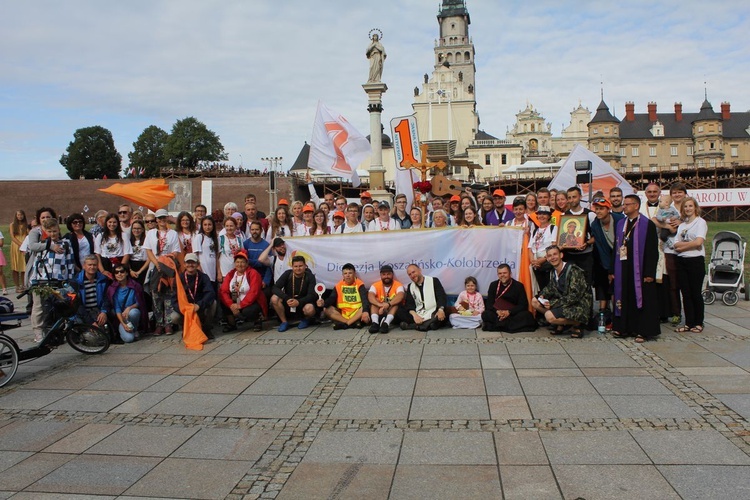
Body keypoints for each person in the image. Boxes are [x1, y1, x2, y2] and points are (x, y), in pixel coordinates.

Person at [610, 195, 660, 342]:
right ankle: (624, 328)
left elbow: (652, 251)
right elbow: (616, 247)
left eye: (627, 204)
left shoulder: (647, 224)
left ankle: (642, 330)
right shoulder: (621, 224)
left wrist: (649, 272)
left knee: (641, 298)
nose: (624, 207)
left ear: (636, 206)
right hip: (623, 268)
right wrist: (612, 270)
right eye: (624, 204)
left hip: (641, 268)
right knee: (624, 296)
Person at [29, 219, 77, 342]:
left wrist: (70, 280)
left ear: (59, 230)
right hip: (41, 280)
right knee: (39, 308)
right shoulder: (42, 244)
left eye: (55, 231)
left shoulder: (65, 244)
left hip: (58, 280)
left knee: (59, 307)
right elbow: (35, 262)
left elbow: (70, 262)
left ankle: (58, 331)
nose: (52, 234)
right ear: (45, 231)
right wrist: (33, 279)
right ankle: (39, 332)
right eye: (49, 231)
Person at [532, 245, 592, 338]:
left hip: (579, 305)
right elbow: (550, 288)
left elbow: (574, 296)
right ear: (547, 258)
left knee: (549, 316)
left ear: (561, 255)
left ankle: (578, 323)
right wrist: (542, 296)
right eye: (550, 256)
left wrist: (552, 304)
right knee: (535, 301)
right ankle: (562, 323)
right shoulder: (553, 272)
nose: (553, 258)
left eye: (555, 254)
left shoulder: (573, 270)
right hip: (564, 303)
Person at [143, 208, 181, 336]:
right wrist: (157, 263)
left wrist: (165, 262)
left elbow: (176, 251)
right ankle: (159, 323)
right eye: (159, 218)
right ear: (156, 220)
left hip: (168, 266)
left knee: (169, 295)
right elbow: (148, 250)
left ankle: (168, 324)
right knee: (156, 295)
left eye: (164, 218)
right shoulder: (151, 233)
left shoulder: (173, 234)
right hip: (155, 266)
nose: (162, 220)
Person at [674, 197, 707, 334]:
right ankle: (689, 322)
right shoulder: (682, 225)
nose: (687, 209)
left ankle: (698, 322)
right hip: (682, 261)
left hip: (695, 260)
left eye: (690, 206)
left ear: (695, 207)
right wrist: (685, 246)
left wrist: (683, 247)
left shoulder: (700, 222)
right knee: (685, 293)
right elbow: (675, 243)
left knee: (695, 293)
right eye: (685, 207)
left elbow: (698, 242)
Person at [590, 197, 624, 320]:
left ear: (608, 209)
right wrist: (610, 269)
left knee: (620, 286)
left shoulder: (620, 220)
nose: (598, 211)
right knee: (607, 283)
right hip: (607, 257)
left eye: (601, 209)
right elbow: (601, 249)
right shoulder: (595, 224)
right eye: (596, 209)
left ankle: (619, 312)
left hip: (622, 255)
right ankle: (605, 312)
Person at [659, 182, 688, 325]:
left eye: (680, 192)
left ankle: (690, 313)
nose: (677, 195)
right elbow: (656, 220)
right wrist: (667, 226)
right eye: (674, 192)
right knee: (673, 283)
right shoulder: (668, 208)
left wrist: (680, 222)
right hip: (670, 249)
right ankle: (676, 312)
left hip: (686, 249)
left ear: (684, 193)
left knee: (686, 283)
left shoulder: (688, 207)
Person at [220, 250, 266, 333]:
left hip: (252, 301)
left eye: (242, 262)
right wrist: (231, 305)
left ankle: (257, 320)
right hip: (235, 300)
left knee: (248, 311)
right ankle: (232, 324)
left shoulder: (253, 273)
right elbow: (224, 291)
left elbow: (254, 292)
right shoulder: (231, 274)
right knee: (223, 302)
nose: (240, 265)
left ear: (247, 263)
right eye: (237, 262)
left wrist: (240, 305)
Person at [482, 264, 537, 332]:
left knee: (527, 315)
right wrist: (497, 311)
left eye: (505, 273)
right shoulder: (493, 285)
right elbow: (489, 303)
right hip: (497, 314)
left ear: (510, 273)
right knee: (485, 314)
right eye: (500, 273)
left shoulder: (518, 286)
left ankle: (498, 326)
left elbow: (523, 305)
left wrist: (509, 312)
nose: (502, 275)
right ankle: (508, 327)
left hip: (512, 314)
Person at [271, 255, 318, 332]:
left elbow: (312, 295)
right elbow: (275, 288)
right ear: (292, 267)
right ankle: (284, 322)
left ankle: (306, 319)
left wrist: (299, 302)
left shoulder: (310, 276)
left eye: (300, 266)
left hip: (303, 303)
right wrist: (286, 298)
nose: (298, 268)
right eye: (295, 266)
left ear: (305, 266)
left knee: (310, 308)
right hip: (288, 302)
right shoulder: (287, 274)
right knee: (274, 298)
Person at [397, 264, 448, 331]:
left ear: (420, 270)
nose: (412, 275)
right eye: (409, 274)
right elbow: (409, 305)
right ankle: (428, 324)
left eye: (413, 272)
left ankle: (413, 326)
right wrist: (415, 316)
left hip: (433, 311)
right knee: (399, 311)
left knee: (443, 314)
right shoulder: (410, 286)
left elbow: (441, 296)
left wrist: (440, 310)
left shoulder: (434, 281)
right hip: (419, 313)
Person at [320, 263, 371, 330]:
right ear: (342, 275)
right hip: (343, 314)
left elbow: (365, 300)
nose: (348, 275)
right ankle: (351, 323)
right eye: (345, 273)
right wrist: (324, 303)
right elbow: (331, 298)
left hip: (357, 313)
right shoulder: (338, 285)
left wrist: (365, 311)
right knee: (326, 309)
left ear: (354, 274)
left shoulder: (359, 284)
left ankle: (346, 324)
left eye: (350, 273)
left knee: (365, 308)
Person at [106, 263, 147, 343]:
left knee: (134, 312)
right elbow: (116, 308)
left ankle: (134, 329)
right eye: (116, 272)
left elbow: (139, 302)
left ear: (126, 273)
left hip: (131, 314)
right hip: (120, 317)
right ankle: (122, 329)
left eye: (122, 271)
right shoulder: (112, 289)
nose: (119, 274)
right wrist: (123, 323)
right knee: (129, 339)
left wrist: (129, 308)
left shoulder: (135, 285)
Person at [179, 253, 218, 336]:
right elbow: (174, 298)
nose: (190, 265)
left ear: (198, 264)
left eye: (193, 262)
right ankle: (186, 328)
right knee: (174, 317)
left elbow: (210, 293)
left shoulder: (204, 277)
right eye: (188, 262)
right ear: (184, 264)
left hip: (200, 306)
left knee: (213, 303)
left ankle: (206, 329)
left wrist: (199, 305)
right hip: (186, 308)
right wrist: (186, 308)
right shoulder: (179, 278)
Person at [73, 254, 110, 341]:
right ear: (84, 266)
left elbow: (106, 297)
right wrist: (91, 322)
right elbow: (78, 304)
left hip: (97, 310)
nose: (92, 267)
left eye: (94, 265)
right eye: (89, 265)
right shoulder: (76, 281)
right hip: (82, 312)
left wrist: (104, 312)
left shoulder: (103, 279)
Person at [368, 264, 405, 334]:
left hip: (393, 313)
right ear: (381, 276)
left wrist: (388, 304)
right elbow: (370, 296)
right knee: (373, 304)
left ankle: (386, 324)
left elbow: (400, 295)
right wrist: (379, 305)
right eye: (384, 274)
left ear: (392, 275)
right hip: (380, 310)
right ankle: (375, 323)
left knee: (396, 304)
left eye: (388, 274)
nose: (386, 276)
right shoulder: (375, 285)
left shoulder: (398, 285)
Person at [95, 213, 132, 280]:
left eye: (114, 222)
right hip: (105, 264)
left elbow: (127, 253)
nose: (112, 224)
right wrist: (102, 270)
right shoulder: (100, 236)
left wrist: (119, 270)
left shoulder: (123, 235)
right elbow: (97, 254)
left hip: (120, 263)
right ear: (106, 223)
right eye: (110, 222)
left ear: (118, 223)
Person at [529, 206, 557, 292]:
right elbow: (530, 247)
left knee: (550, 289)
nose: (542, 216)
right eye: (540, 214)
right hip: (536, 264)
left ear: (549, 216)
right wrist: (533, 261)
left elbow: (554, 246)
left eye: (544, 214)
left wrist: (543, 259)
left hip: (547, 263)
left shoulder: (553, 228)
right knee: (541, 290)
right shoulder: (535, 231)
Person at [218, 217, 245, 283]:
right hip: (225, 272)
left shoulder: (239, 239)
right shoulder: (220, 239)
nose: (229, 228)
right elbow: (217, 257)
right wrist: (219, 272)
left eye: (231, 226)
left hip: (237, 271)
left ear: (235, 226)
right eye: (227, 226)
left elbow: (243, 254)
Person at [9, 209, 28, 292]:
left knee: (24, 267)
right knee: (15, 267)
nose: (20, 216)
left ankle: (24, 285)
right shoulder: (12, 225)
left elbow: (28, 234)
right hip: (16, 246)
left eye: (21, 215)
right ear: (16, 216)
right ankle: (17, 286)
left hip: (24, 246)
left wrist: (25, 245)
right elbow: (12, 237)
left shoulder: (26, 225)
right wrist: (21, 245)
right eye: (18, 215)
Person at [128, 220, 150, 287]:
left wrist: (140, 271)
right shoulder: (128, 241)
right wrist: (130, 270)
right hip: (131, 266)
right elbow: (126, 257)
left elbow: (149, 258)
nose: (136, 230)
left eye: (139, 228)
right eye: (134, 228)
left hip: (144, 266)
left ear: (143, 230)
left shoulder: (147, 241)